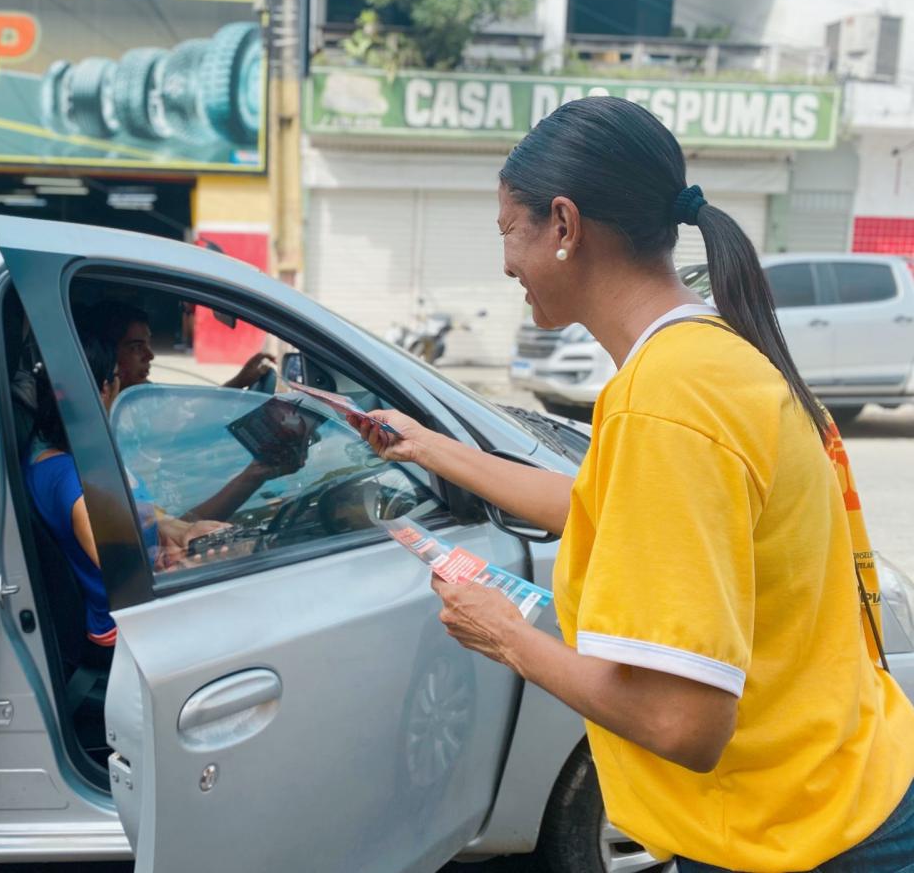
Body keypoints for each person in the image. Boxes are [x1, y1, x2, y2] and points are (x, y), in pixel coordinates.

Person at [353, 97, 914, 872]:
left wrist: (507, 637)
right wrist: (427, 446)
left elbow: (685, 722)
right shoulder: (704, 358)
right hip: (840, 787)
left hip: (794, 836)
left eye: (506, 233)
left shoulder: (667, 401)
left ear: (563, 225)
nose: (506, 263)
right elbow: (601, 508)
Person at [23, 329, 274, 648]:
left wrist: (184, 531)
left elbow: (135, 524)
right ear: (102, 390)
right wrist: (197, 563)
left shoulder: (76, 457)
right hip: (121, 630)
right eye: (115, 377)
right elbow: (134, 579)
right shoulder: (76, 485)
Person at [87, 298, 273, 391]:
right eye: (136, 347)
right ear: (108, 355)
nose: (150, 355)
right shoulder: (112, 414)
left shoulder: (139, 396)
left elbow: (183, 411)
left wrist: (238, 382)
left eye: (148, 344)